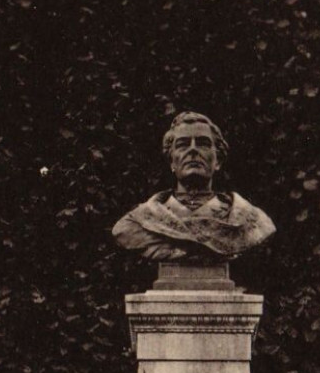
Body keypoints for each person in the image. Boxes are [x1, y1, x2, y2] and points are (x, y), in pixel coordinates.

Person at [112, 111, 275, 262]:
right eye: (183, 144)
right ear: (171, 162)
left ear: (218, 161)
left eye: (203, 144)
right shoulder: (135, 222)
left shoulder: (252, 221)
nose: (193, 149)